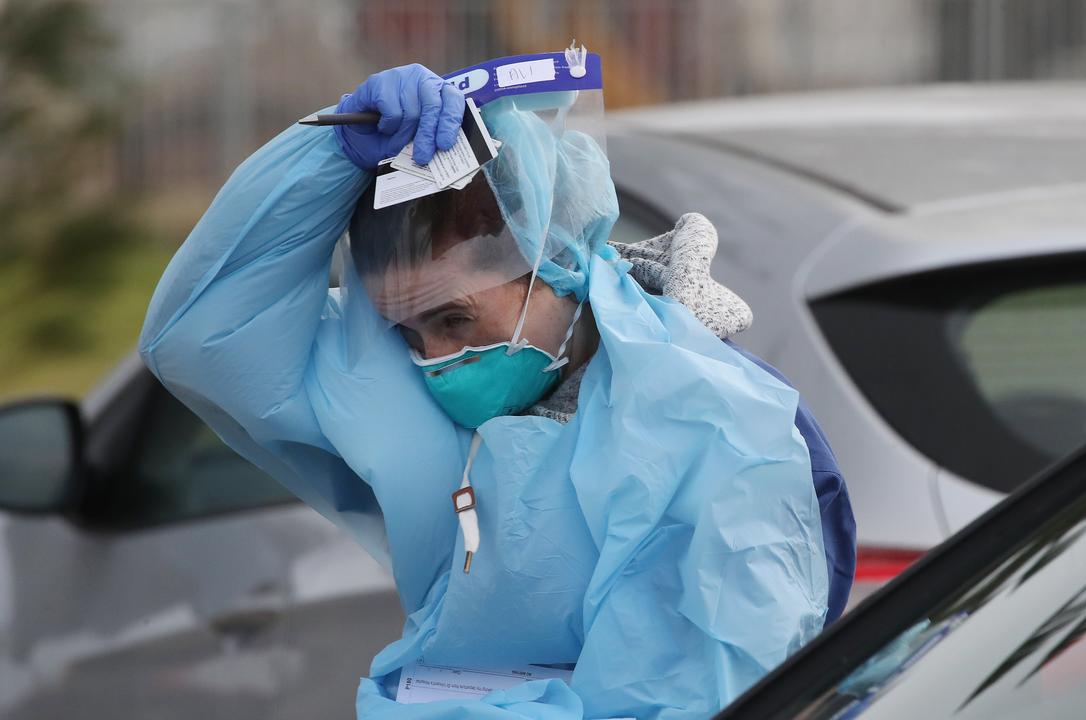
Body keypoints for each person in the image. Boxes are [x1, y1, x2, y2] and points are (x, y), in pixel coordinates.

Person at [139, 53, 853, 720]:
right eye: (407, 333)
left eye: (454, 318)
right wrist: (326, 156)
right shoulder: (424, 392)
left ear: (555, 258)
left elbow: (704, 692)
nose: (436, 362)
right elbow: (202, 338)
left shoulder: (711, 426)